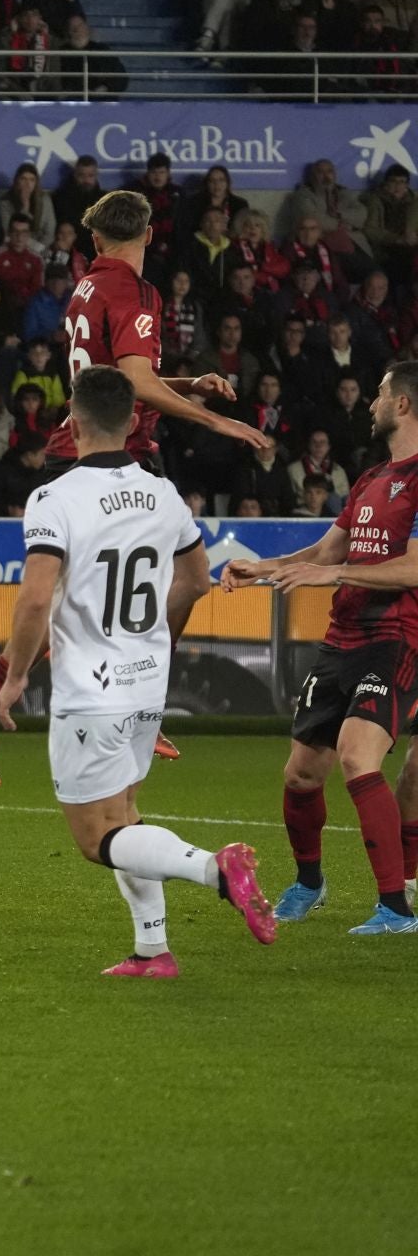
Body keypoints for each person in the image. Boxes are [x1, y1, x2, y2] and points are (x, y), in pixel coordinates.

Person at [0, 188, 270, 789]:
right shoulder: (134, 290)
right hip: (96, 457)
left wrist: (186, 384)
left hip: (120, 450)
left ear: (96, 239)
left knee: (191, 578)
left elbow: (121, 378)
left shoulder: (88, 285)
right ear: (148, 236)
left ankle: (137, 700)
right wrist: (216, 419)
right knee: (69, 602)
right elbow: (136, 384)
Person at [0, 363, 275, 975]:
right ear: (130, 421)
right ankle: (153, 950)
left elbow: (37, 598)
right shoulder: (163, 492)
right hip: (147, 681)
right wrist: (155, 641)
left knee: (97, 839)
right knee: (125, 816)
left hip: (89, 689)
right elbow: (196, 580)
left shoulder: (53, 498)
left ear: (73, 417)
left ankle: (215, 869)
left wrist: (14, 678)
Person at [222, 364, 418, 935]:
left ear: (403, 405)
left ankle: (395, 909)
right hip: (341, 642)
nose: (372, 403)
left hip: (394, 640)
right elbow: (328, 550)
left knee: (360, 756)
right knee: (301, 776)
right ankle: (310, 884)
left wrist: (330, 576)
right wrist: (265, 569)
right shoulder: (371, 478)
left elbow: (412, 566)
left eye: (380, 394)